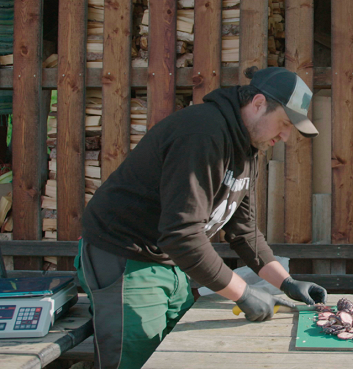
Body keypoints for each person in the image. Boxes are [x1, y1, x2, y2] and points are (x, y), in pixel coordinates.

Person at [76, 67, 328, 369]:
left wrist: (286, 282)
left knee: (177, 356)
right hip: (125, 256)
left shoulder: (248, 147)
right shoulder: (203, 133)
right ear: (258, 103)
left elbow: (244, 231)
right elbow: (181, 233)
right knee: (136, 360)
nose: (286, 136)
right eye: (285, 123)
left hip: (169, 263)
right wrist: (244, 293)